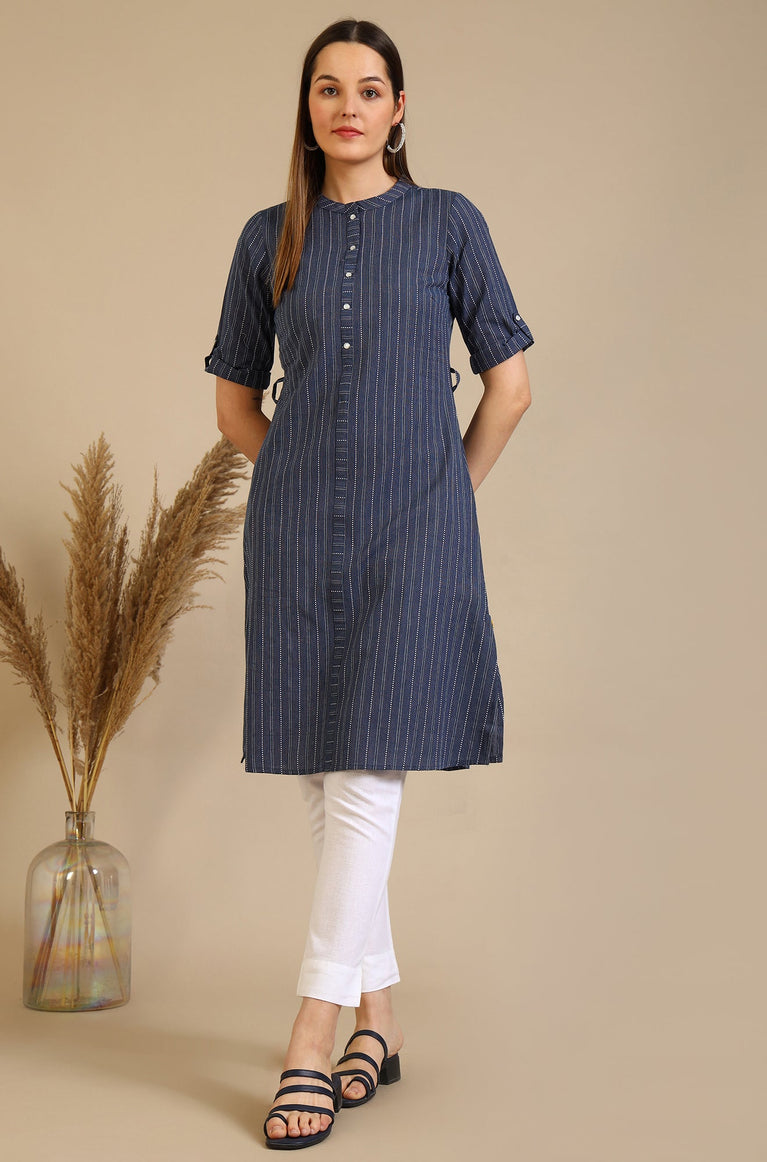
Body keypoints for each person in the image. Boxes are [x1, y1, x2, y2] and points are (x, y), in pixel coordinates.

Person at [204, 17, 534, 1150]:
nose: (348, 105)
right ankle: (376, 1020)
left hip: (412, 537)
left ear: (398, 109)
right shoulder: (267, 238)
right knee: (320, 766)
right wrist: (302, 480)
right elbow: (234, 404)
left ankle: (310, 1034)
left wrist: (443, 495)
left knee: (364, 771)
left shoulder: (447, 223)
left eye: (369, 88)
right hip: (296, 533)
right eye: (328, 88)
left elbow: (509, 385)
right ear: (307, 109)